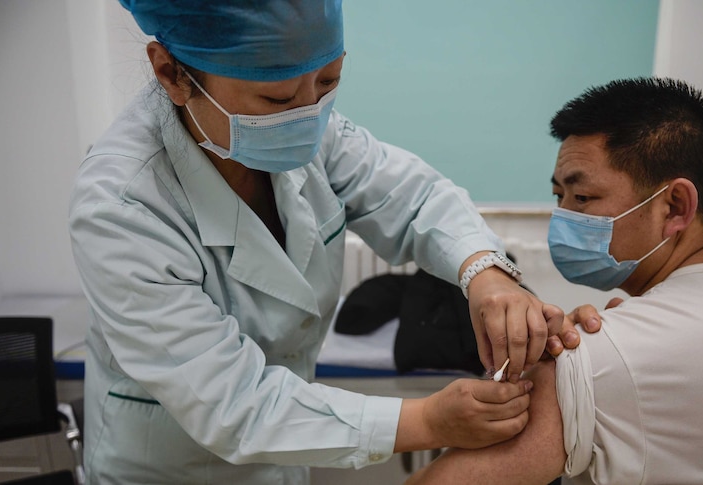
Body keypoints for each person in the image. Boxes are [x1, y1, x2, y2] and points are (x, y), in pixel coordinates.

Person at [68, 1, 596, 483]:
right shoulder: (122, 204)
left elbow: (414, 199)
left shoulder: (315, 130)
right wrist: (429, 421)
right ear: (171, 74)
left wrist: (485, 272)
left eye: (328, 83)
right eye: (276, 97)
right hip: (167, 470)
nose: (307, 115)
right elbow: (232, 405)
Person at [405, 77, 703, 484]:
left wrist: (592, 352)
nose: (563, 217)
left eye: (582, 198)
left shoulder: (592, 360)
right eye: (558, 197)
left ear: (675, 206)